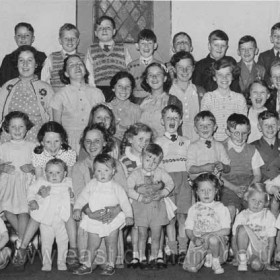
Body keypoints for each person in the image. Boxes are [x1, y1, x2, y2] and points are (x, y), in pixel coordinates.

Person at [13, 121, 78, 271]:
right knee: (36, 214)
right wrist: (39, 197)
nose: (53, 145)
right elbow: (39, 180)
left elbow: (71, 177)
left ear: (62, 140)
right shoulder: (39, 153)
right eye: (48, 142)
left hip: (63, 188)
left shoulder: (68, 153)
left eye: (57, 141)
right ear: (42, 142)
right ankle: (23, 247)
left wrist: (71, 194)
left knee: (69, 209)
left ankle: (73, 249)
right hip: (45, 187)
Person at [72, 123, 127, 271]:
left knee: (107, 261)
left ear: (104, 143)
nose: (92, 145)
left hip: (112, 215)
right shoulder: (78, 167)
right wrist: (90, 213)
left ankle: (112, 260)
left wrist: (115, 211)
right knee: (91, 259)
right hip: (90, 216)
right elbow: (79, 195)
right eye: (88, 141)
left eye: (97, 141)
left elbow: (124, 193)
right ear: (83, 143)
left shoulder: (116, 165)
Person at [73, 154, 133, 276]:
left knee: (111, 243)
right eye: (98, 171)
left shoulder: (116, 187)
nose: (102, 174)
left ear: (113, 171)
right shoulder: (91, 184)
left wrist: (128, 215)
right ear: (94, 172)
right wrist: (77, 208)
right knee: (92, 244)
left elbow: (125, 202)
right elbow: (82, 197)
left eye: (106, 170)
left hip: (112, 220)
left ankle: (110, 264)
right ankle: (87, 264)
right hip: (95, 219)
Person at [127, 143, 175, 269]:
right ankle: (142, 257)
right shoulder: (135, 173)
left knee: (156, 234)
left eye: (154, 161)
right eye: (147, 159)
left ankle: (154, 257)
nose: (150, 164)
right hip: (141, 208)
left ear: (159, 162)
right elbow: (128, 189)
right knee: (142, 234)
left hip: (157, 208)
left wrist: (162, 193)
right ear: (141, 157)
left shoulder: (160, 172)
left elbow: (170, 183)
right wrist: (140, 197)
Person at [155, 105, 191, 264]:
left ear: (181, 121)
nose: (172, 121)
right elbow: (156, 164)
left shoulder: (187, 141)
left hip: (184, 181)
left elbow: (190, 163)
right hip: (167, 181)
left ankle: (183, 249)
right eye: (168, 118)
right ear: (162, 121)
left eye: (175, 118)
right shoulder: (157, 142)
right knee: (170, 217)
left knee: (182, 216)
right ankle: (173, 250)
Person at [51, 54, 104, 153]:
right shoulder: (60, 95)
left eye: (80, 64)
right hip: (70, 142)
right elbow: (56, 126)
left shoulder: (97, 93)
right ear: (66, 73)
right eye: (71, 65)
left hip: (93, 141)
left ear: (85, 70)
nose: (77, 67)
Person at [0, 45, 54, 143]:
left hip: (36, 141)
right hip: (9, 141)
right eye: (21, 60)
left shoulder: (46, 89)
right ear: (17, 64)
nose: (25, 64)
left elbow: (52, 119)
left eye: (29, 60)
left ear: (36, 64)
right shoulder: (7, 87)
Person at [0, 111, 35, 257]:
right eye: (13, 127)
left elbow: (41, 166)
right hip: (8, 184)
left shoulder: (33, 145)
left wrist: (32, 168)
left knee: (23, 212)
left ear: (27, 128)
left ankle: (21, 242)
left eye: (21, 127)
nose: (17, 130)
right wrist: (2, 168)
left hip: (26, 184)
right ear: (7, 128)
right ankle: (25, 240)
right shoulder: (3, 147)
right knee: (7, 210)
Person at [28, 158, 72, 271]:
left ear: (65, 173)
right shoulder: (41, 182)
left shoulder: (67, 182)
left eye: (58, 172)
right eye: (50, 172)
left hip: (62, 218)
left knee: (63, 241)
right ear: (45, 173)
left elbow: (75, 195)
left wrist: (72, 194)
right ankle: (46, 262)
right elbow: (30, 191)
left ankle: (61, 261)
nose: (54, 175)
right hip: (45, 219)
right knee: (46, 242)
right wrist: (32, 200)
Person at [183, 173, 231, 274]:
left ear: (216, 191)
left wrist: (208, 235)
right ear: (196, 192)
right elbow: (188, 228)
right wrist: (193, 238)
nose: (206, 193)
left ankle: (215, 261)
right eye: (202, 190)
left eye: (209, 190)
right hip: (199, 243)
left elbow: (226, 230)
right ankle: (202, 259)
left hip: (217, 243)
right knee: (191, 268)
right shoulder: (193, 209)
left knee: (212, 239)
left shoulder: (221, 208)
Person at [120, 123, 153, 268]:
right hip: (132, 199)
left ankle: (144, 253)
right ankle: (135, 254)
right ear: (130, 139)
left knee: (146, 227)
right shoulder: (123, 160)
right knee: (136, 227)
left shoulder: (151, 158)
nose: (143, 143)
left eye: (147, 140)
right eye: (140, 139)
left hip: (148, 197)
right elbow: (123, 183)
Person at [221, 114, 264, 221]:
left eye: (244, 133)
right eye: (236, 133)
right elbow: (217, 176)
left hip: (248, 186)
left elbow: (257, 175)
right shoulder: (221, 148)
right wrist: (234, 188)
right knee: (230, 210)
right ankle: (229, 235)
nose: (240, 137)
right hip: (228, 187)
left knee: (257, 210)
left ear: (249, 132)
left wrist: (249, 190)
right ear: (227, 132)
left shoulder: (252, 150)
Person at [85, 15, 132, 102]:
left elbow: (129, 69)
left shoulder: (123, 48)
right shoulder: (91, 50)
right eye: (100, 28)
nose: (104, 30)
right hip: (99, 89)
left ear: (114, 31)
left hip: (119, 89)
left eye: (108, 27)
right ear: (95, 33)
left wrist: (126, 86)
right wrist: (93, 89)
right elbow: (89, 72)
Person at [232, 183, 278, 272]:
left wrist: (268, 262)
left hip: (261, 250)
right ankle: (242, 260)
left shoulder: (268, 216)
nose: (256, 204)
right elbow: (234, 238)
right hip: (245, 251)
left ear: (265, 203)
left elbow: (271, 241)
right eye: (253, 200)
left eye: (260, 201)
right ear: (247, 198)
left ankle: (259, 263)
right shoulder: (242, 215)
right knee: (241, 228)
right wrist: (235, 256)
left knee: (256, 265)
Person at [201, 57, 247, 141]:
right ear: (214, 77)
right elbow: (204, 124)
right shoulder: (208, 97)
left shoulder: (239, 99)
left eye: (228, 74)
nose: (224, 78)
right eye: (220, 75)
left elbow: (242, 126)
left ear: (233, 76)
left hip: (234, 142)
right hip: (212, 143)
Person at [41, 23, 92, 93]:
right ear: (60, 41)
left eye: (73, 38)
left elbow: (90, 79)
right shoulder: (52, 58)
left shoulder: (84, 58)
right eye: (66, 38)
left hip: (79, 97)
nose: (70, 41)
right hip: (57, 97)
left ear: (77, 41)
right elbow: (44, 81)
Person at [139, 62, 182, 138]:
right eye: (150, 75)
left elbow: (177, 130)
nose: (154, 77)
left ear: (165, 78)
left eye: (158, 74)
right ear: (146, 80)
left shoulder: (173, 101)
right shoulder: (139, 102)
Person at [186, 110, 231, 181]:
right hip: (198, 182)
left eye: (209, 125)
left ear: (215, 127)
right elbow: (189, 169)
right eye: (201, 125)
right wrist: (203, 168)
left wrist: (223, 166)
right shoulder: (193, 146)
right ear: (195, 129)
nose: (205, 128)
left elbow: (228, 167)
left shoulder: (219, 146)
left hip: (215, 182)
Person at [0, 22, 46, 86]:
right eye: (19, 35)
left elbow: (46, 79)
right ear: (15, 38)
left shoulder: (41, 57)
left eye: (27, 35)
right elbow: (3, 83)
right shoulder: (8, 59)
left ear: (33, 39)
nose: (23, 38)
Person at [169, 51, 200, 141]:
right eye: (180, 67)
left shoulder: (199, 92)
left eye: (188, 67)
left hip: (197, 138)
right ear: (174, 69)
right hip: (176, 138)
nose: (185, 71)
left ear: (193, 68)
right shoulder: (168, 92)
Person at [127, 29, 162, 103]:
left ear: (155, 45)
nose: (146, 46)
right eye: (143, 43)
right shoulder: (130, 66)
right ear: (137, 46)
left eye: (149, 43)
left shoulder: (160, 66)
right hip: (135, 100)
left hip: (156, 100)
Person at [107, 71, 141, 141]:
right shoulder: (105, 108)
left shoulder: (136, 109)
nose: (124, 89)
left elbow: (139, 134)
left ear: (131, 89)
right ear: (113, 88)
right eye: (120, 86)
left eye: (127, 86)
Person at [237, 35, 265, 104]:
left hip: (255, 103)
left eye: (250, 48)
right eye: (243, 49)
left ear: (256, 50)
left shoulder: (261, 69)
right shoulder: (234, 67)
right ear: (238, 52)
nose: (246, 52)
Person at [258, 22, 280, 87]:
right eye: (275, 36)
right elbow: (261, 75)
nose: (278, 38)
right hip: (270, 90)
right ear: (271, 39)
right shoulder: (263, 56)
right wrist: (270, 84)